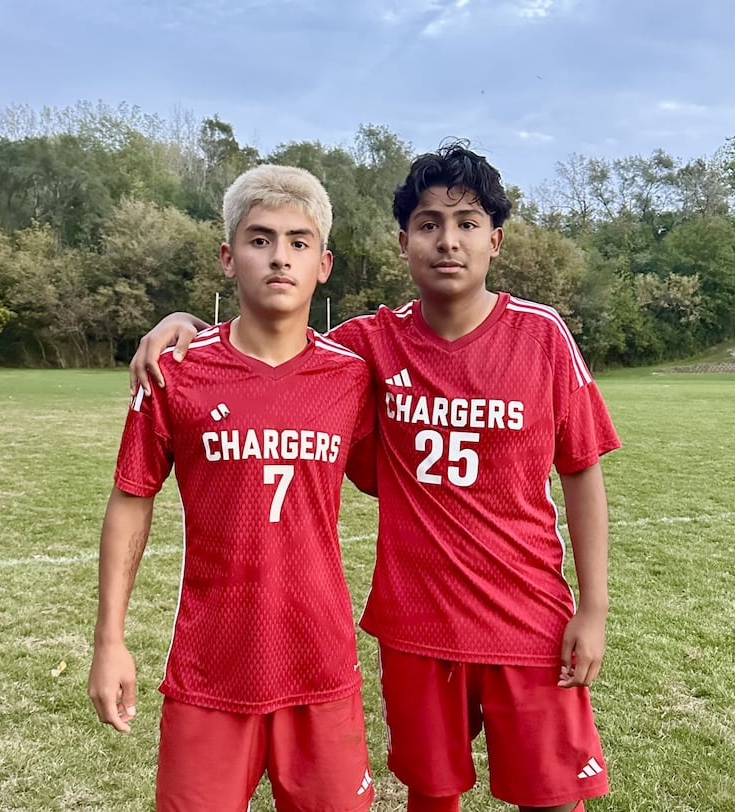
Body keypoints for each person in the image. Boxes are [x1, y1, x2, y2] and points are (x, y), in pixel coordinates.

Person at [130, 142, 620, 812]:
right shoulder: (367, 345)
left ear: (495, 241)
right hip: (416, 622)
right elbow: (273, 341)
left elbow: (582, 473)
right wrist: (181, 324)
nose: (448, 241)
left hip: (528, 619)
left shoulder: (541, 335)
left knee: (554, 796)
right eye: (428, 225)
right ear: (403, 243)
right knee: (431, 793)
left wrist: (591, 608)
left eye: (468, 223)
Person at [88, 164, 376, 812]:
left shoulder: (353, 377)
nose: (281, 257)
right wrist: (109, 640)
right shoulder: (177, 371)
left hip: (321, 670)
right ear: (227, 256)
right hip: (209, 672)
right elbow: (132, 498)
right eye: (260, 239)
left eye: (299, 242)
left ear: (323, 264)